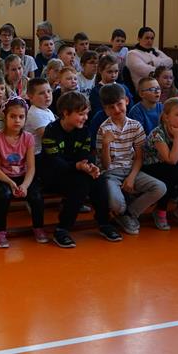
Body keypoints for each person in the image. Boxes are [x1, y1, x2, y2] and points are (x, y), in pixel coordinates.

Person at [39, 91, 118, 247]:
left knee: (98, 180)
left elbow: (86, 154)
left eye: (86, 114)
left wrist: (91, 166)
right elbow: (53, 161)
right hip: (52, 176)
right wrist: (77, 166)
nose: (85, 118)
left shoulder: (84, 131)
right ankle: (62, 229)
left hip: (76, 171)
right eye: (81, 114)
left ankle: (104, 223)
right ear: (65, 113)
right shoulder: (51, 131)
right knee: (81, 184)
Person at [96, 84, 166, 235]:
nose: (116, 110)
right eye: (111, 107)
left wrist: (131, 177)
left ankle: (129, 214)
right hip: (111, 174)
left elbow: (139, 157)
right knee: (116, 205)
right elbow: (105, 166)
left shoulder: (135, 126)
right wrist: (106, 144)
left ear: (126, 101)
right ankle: (122, 212)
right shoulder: (104, 129)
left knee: (160, 188)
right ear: (105, 110)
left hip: (131, 169)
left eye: (119, 104)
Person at [0, 98, 45, 247]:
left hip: (23, 176)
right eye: (13, 116)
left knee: (36, 196)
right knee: (4, 195)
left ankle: (38, 228)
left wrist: (25, 185)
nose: (17, 120)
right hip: (3, 177)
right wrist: (10, 183)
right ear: (5, 117)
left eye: (21, 117)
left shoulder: (28, 138)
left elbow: (31, 167)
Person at [143, 97, 178, 230]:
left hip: (170, 164)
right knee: (173, 171)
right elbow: (171, 160)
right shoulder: (158, 134)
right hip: (150, 166)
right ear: (166, 117)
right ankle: (160, 210)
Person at [88, 53, 132, 118]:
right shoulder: (96, 91)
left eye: (116, 71)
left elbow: (131, 109)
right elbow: (97, 113)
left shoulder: (124, 88)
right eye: (109, 72)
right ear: (100, 70)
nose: (113, 75)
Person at [23, 77, 56, 154]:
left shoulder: (46, 110)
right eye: (41, 93)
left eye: (49, 91)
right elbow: (48, 137)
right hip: (37, 154)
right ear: (31, 97)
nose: (47, 95)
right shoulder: (35, 114)